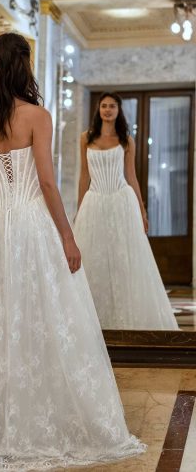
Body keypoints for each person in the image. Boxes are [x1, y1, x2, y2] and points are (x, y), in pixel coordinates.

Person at [0, 34, 146, 470]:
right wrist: (68, 237)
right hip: (32, 221)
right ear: (23, 66)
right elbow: (49, 183)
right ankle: (40, 404)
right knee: (44, 312)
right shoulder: (38, 115)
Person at [74, 92, 179, 330]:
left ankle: (128, 318)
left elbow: (131, 177)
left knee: (125, 258)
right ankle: (95, 321)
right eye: (104, 106)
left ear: (119, 110)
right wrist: (80, 208)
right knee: (94, 258)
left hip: (122, 201)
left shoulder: (125, 140)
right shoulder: (85, 138)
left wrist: (142, 211)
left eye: (112, 106)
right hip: (95, 200)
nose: (108, 110)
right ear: (98, 110)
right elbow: (84, 176)